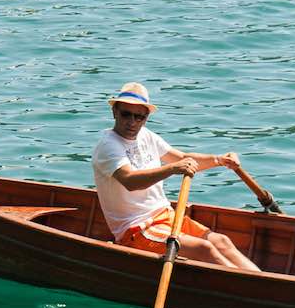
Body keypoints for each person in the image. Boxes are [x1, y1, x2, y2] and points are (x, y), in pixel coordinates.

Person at [92, 83, 261, 272]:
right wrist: (172, 169)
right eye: (126, 114)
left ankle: (265, 282)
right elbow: (130, 181)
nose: (132, 122)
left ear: (146, 117)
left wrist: (219, 160)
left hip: (166, 216)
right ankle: (252, 290)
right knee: (204, 248)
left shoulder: (146, 136)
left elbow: (181, 158)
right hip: (136, 230)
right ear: (115, 111)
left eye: (139, 116)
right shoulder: (109, 146)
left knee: (222, 241)